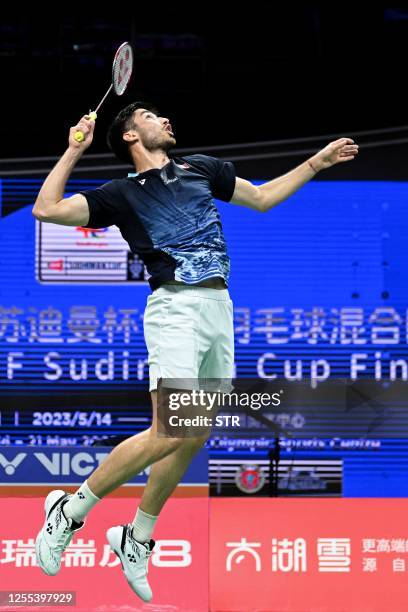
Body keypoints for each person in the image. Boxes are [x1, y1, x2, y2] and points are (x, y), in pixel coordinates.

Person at [32, 102, 358, 602]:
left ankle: (136, 537)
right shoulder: (122, 195)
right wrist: (73, 150)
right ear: (128, 136)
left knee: (193, 433)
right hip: (175, 310)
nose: (164, 120)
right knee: (172, 428)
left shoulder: (200, 168)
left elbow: (264, 198)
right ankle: (70, 511)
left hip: (218, 307)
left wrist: (317, 162)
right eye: (149, 116)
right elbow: (47, 209)